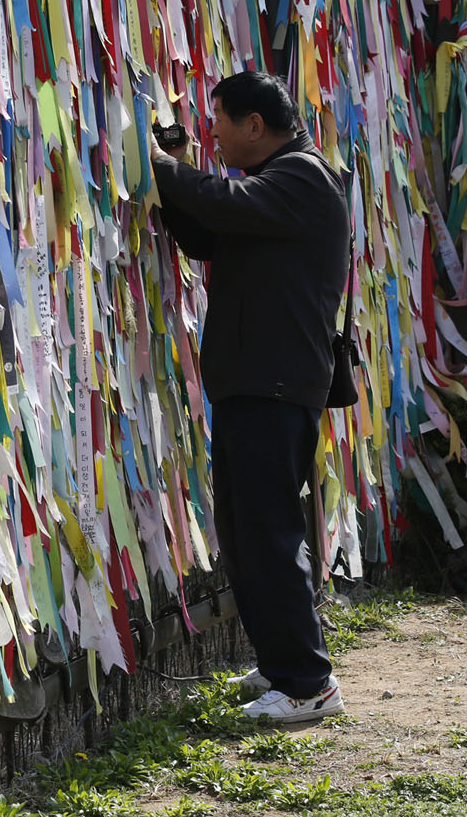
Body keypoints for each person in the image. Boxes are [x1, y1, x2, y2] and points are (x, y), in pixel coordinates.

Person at [148, 70, 349, 723]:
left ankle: (307, 685)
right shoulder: (274, 188)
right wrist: (172, 174)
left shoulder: (304, 177)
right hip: (253, 384)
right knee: (245, 534)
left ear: (254, 126)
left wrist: (159, 166)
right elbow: (209, 233)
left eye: (219, 125)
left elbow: (226, 206)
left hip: (276, 384)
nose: (213, 138)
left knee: (268, 534)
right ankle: (283, 664)